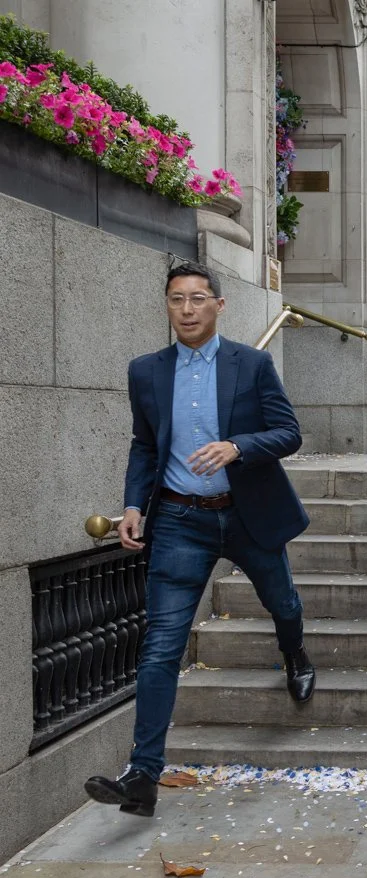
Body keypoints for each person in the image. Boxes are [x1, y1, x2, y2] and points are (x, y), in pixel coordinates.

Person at [84, 262, 313, 819]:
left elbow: (289, 433)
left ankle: (294, 653)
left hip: (246, 514)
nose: (186, 310)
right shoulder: (146, 372)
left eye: (197, 299)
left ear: (219, 305)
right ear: (166, 305)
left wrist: (238, 447)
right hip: (181, 521)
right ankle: (142, 774)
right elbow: (144, 446)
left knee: (281, 600)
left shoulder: (252, 364)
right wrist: (135, 505)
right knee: (161, 646)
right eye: (176, 300)